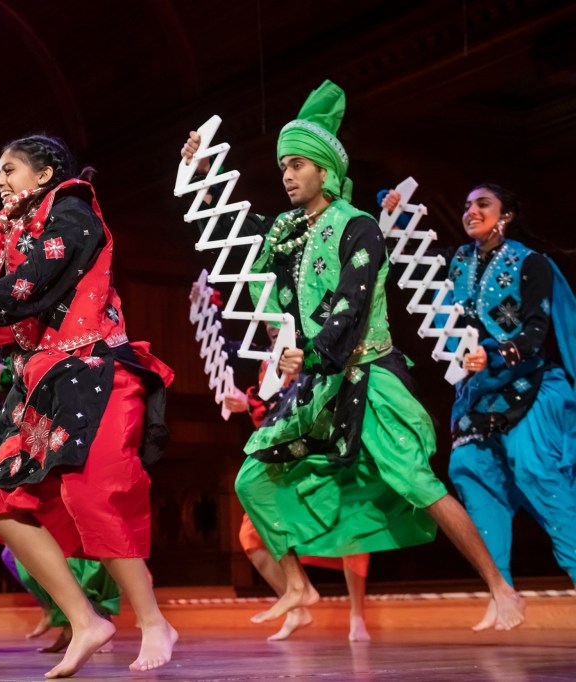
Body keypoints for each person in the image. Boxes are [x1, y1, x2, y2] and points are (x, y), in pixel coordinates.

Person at [179, 80, 525, 632]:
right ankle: (299, 586)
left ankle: (501, 587)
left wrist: (308, 358)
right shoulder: (288, 229)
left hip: (367, 373)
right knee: (251, 480)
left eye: (297, 164)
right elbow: (244, 244)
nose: (288, 176)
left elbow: (349, 306)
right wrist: (203, 173)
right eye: (283, 166)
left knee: (416, 482)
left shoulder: (358, 227)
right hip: (318, 379)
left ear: (324, 170)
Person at [0, 133, 177, 678]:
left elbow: (33, 281)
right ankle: (85, 620)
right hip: (40, 385)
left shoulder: (73, 214)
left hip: (94, 372)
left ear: (43, 175)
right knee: (0, 506)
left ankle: (154, 621)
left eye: (10, 169)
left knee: (92, 495)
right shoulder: (0, 231)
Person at [382, 182, 576, 627]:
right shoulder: (456, 263)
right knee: (470, 471)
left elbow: (533, 330)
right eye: (467, 204)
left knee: (539, 478)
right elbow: (403, 264)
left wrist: (495, 353)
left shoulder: (531, 264)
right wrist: (388, 208)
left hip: (528, 386)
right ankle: (502, 590)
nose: (471, 210)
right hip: (479, 391)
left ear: (505, 215)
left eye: (482, 204)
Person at [204, 308, 371, 642]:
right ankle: (297, 602)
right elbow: (270, 421)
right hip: (282, 459)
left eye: (276, 323)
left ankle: (357, 614)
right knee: (252, 536)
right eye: (267, 325)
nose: (271, 329)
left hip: (320, 450)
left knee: (350, 527)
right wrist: (245, 404)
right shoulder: (267, 362)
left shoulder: (313, 348)